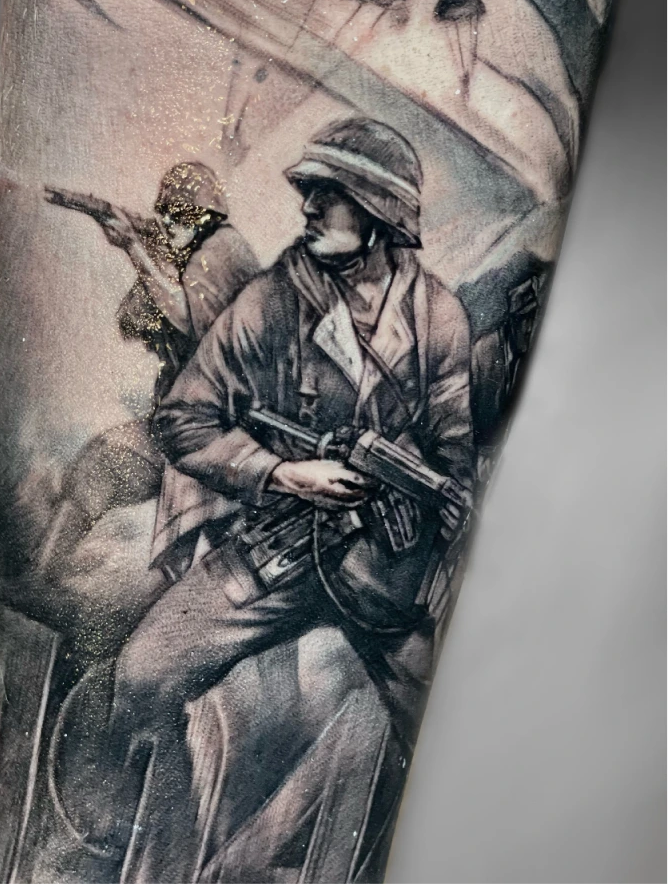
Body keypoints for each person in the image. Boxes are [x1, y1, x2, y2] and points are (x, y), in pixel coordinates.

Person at [88, 117, 476, 875]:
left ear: (379, 210)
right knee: (141, 673)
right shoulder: (272, 300)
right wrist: (282, 473)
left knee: (455, 729)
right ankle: (164, 862)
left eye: (329, 194)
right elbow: (185, 419)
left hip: (384, 575)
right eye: (309, 191)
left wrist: (429, 506)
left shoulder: (439, 319)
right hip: (282, 550)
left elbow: (453, 452)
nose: (308, 207)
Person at [31, 164, 260, 591]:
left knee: (199, 557)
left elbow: (186, 317)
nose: (168, 224)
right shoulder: (191, 247)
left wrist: (133, 248)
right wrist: (115, 224)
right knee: (99, 466)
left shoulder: (222, 252)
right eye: (164, 213)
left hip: (221, 436)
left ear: (204, 216)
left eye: (179, 214)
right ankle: (42, 582)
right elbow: (150, 264)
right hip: (184, 425)